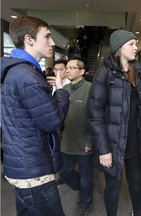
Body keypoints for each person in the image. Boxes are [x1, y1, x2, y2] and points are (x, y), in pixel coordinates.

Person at [1, 16, 69, 216]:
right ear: (29, 39)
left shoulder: (17, 71)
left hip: (21, 165)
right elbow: (53, 121)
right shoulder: (26, 75)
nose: (53, 42)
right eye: (47, 36)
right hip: (33, 169)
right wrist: (61, 91)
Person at [88, 30, 141, 216]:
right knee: (113, 187)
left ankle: (137, 212)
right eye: (131, 44)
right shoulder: (104, 74)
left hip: (135, 141)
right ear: (119, 48)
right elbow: (95, 114)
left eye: (136, 44)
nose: (136, 48)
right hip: (112, 143)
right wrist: (103, 149)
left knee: (136, 182)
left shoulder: (140, 73)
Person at [58, 57, 94, 216]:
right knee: (63, 172)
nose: (67, 70)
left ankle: (86, 203)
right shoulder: (64, 89)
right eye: (66, 68)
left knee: (86, 177)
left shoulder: (91, 89)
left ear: (82, 71)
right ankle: (84, 188)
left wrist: (91, 141)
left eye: (72, 68)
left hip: (84, 143)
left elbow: (96, 118)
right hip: (67, 142)